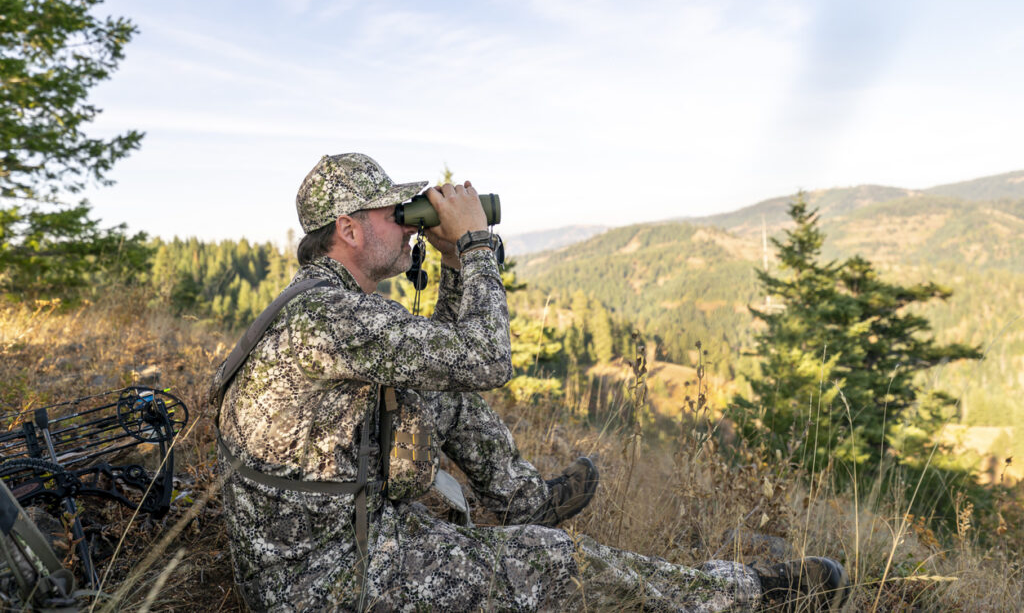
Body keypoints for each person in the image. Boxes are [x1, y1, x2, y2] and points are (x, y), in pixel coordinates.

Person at [214, 153, 847, 612]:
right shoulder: (334, 316)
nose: (410, 225)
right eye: (395, 213)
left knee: (443, 395)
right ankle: (746, 593)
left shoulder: (331, 303)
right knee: (556, 562)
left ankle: (525, 503)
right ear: (348, 230)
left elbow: (450, 363)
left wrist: (455, 262)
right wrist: (479, 244)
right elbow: (487, 359)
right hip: (321, 583)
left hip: (327, 542)